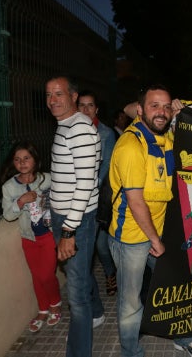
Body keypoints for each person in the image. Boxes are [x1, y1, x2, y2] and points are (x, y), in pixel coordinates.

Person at [108, 84, 192, 357]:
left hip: (159, 231)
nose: (162, 112)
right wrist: (156, 240)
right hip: (131, 237)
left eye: (166, 106)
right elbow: (136, 201)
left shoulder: (165, 138)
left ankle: (183, 337)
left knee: (174, 287)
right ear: (139, 111)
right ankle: (131, 352)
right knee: (131, 303)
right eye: (154, 106)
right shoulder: (130, 145)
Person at [45, 75, 103, 357]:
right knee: (79, 274)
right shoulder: (66, 125)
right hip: (65, 218)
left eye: (59, 94)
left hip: (76, 222)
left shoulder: (79, 128)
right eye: (48, 95)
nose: (53, 100)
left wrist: (68, 231)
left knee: (76, 296)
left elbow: (85, 183)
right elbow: (65, 176)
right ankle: (99, 312)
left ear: (73, 97)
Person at [1, 141, 62, 333]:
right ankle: (43, 309)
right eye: (17, 160)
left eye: (26, 158)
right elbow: (8, 215)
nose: (22, 163)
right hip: (29, 238)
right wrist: (20, 201)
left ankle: (56, 304)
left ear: (35, 160)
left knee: (46, 274)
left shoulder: (48, 179)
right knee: (36, 276)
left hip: (49, 234)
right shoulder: (9, 187)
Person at [77, 90, 118, 297]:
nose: (85, 109)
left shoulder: (106, 133)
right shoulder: (69, 131)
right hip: (77, 200)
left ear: (96, 109)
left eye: (90, 105)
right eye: (82, 105)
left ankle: (111, 274)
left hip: (99, 197)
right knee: (84, 249)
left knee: (101, 245)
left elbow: (108, 165)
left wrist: (91, 186)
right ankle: (87, 290)